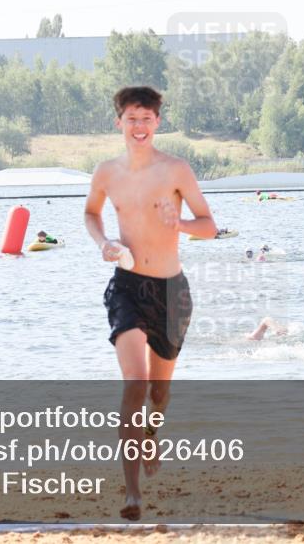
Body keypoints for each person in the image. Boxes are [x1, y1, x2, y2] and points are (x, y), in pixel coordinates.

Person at [84, 86, 217, 521]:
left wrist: (177, 222)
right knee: (135, 385)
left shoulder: (176, 169)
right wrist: (104, 242)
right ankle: (132, 493)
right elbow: (91, 213)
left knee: (159, 394)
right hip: (127, 287)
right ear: (118, 122)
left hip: (172, 293)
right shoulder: (106, 172)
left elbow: (210, 227)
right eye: (131, 118)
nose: (138, 126)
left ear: (157, 123)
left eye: (146, 119)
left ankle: (152, 434)